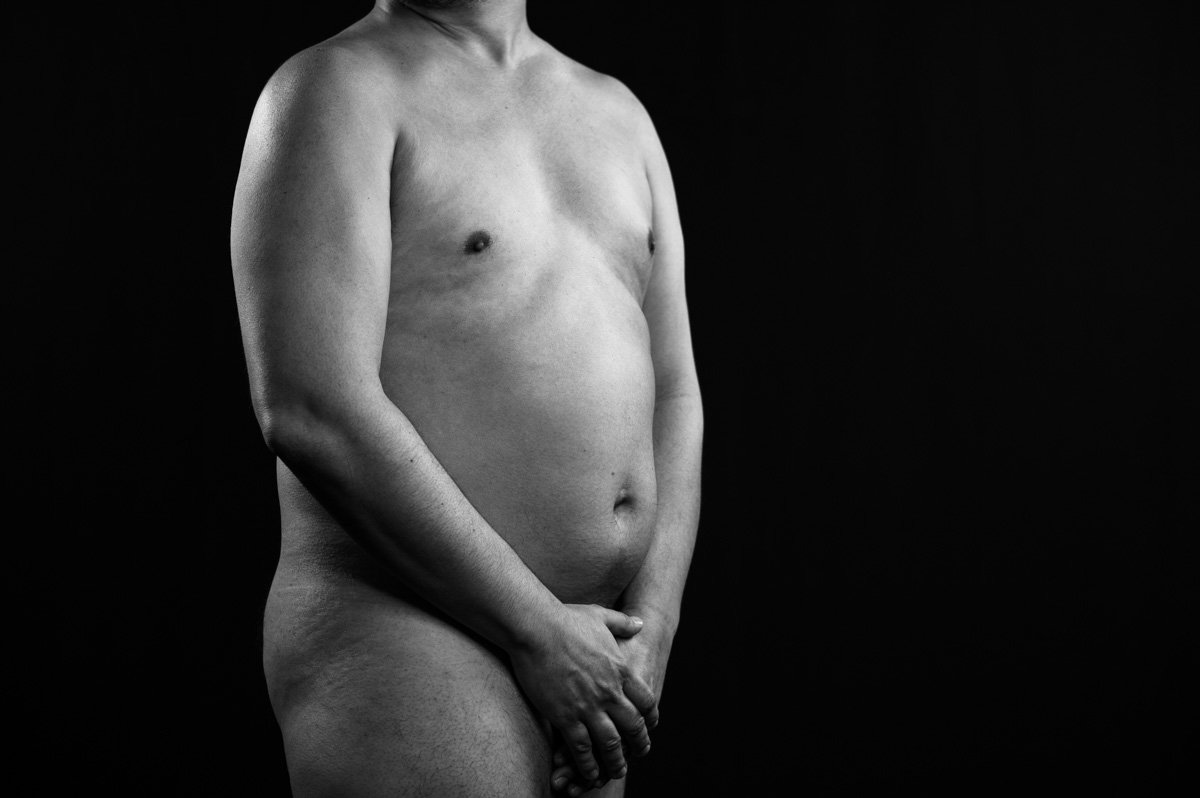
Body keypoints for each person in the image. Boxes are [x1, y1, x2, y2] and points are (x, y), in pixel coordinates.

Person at [230, 1, 702, 795]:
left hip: (597, 641)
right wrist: (537, 630)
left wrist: (654, 626)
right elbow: (312, 408)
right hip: (406, 623)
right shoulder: (336, 89)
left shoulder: (618, 113)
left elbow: (677, 393)